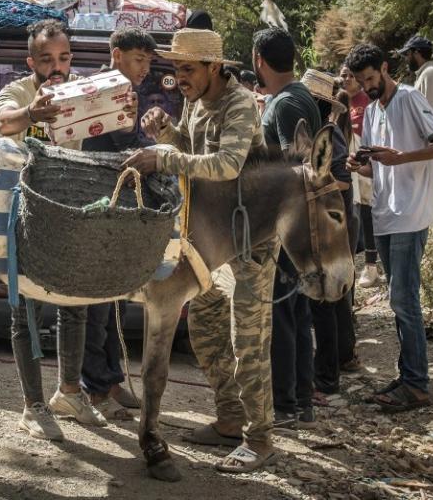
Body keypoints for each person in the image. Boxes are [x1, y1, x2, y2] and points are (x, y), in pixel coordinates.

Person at [124, 28, 277, 474]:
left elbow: (228, 165)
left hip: (251, 239)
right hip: (210, 241)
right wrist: (168, 135)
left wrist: (162, 157)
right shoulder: (194, 101)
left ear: (215, 67)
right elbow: (193, 153)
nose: (179, 78)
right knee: (206, 332)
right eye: (175, 69)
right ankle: (230, 419)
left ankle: (261, 439)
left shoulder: (241, 103)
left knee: (248, 341)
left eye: (187, 69)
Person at [0, 19, 107, 441]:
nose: (56, 67)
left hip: (70, 207)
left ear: (70, 59)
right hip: (27, 209)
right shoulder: (21, 90)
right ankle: (33, 405)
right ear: (32, 62)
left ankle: (70, 392)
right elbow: (5, 121)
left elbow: (108, 121)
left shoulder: (81, 88)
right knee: (24, 310)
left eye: (62, 58)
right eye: (46, 59)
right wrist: (31, 114)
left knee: (74, 303)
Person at [345, 43, 433, 413]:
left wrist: (401, 157)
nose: (367, 86)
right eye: (361, 82)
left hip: (411, 214)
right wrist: (359, 165)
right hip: (385, 214)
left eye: (371, 78)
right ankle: (408, 375)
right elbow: (379, 167)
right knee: (398, 299)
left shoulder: (409, 97)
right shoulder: (373, 109)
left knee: (404, 299)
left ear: (386, 68)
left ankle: (417, 385)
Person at [80, 28, 157, 420]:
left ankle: (109, 377)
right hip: (95, 201)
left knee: (114, 299)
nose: (145, 68)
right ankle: (93, 389)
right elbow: (117, 147)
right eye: (139, 59)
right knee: (96, 300)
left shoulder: (126, 89)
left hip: (116, 203)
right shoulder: (104, 89)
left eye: (148, 61)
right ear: (116, 55)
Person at [252, 28, 321, 431]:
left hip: (284, 225)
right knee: (295, 314)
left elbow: (298, 167)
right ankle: (300, 402)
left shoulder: (284, 104)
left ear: (260, 58)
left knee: (281, 315)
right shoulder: (298, 96)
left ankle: (287, 404)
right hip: (296, 222)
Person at [299, 70, 358, 399]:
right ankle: (335, 366)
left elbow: (343, 181)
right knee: (330, 303)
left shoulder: (328, 132)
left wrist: (306, 189)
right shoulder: (318, 131)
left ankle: (327, 380)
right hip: (324, 227)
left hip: (331, 229)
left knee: (326, 303)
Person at [339, 65, 381, 291]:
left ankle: (372, 265)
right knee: (358, 214)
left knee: (368, 214)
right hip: (351, 164)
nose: (345, 79)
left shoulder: (367, 102)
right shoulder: (342, 100)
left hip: (366, 164)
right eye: (342, 75)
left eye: (349, 75)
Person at [397, 35, 433, 129]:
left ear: (417, 53)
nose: (406, 59)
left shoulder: (430, 74)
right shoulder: (424, 74)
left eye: (407, 54)